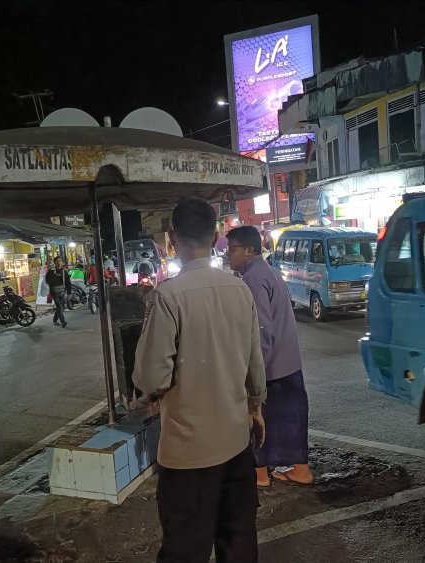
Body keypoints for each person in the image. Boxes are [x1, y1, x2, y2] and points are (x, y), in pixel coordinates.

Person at [133, 197, 267, 563]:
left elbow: (150, 378)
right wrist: (255, 408)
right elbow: (256, 364)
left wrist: (148, 394)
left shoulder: (168, 296)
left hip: (187, 454)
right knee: (238, 544)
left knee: (185, 550)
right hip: (236, 443)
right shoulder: (239, 288)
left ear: (173, 237)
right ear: (216, 236)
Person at [227, 226, 314, 488]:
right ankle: (301, 470)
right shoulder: (268, 271)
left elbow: (261, 329)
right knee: (291, 418)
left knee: (259, 420)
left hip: (270, 368)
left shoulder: (253, 278)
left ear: (249, 250)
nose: (227, 256)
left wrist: (255, 371)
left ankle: (260, 475)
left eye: (232, 250)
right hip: (288, 364)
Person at [46, 257, 71, 328]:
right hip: (54, 292)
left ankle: (55, 319)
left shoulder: (64, 272)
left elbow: (68, 282)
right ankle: (63, 322)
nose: (59, 262)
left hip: (62, 292)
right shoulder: (51, 271)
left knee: (61, 306)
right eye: (57, 261)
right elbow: (47, 281)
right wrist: (54, 281)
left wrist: (69, 292)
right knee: (59, 306)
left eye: (60, 260)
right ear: (54, 262)